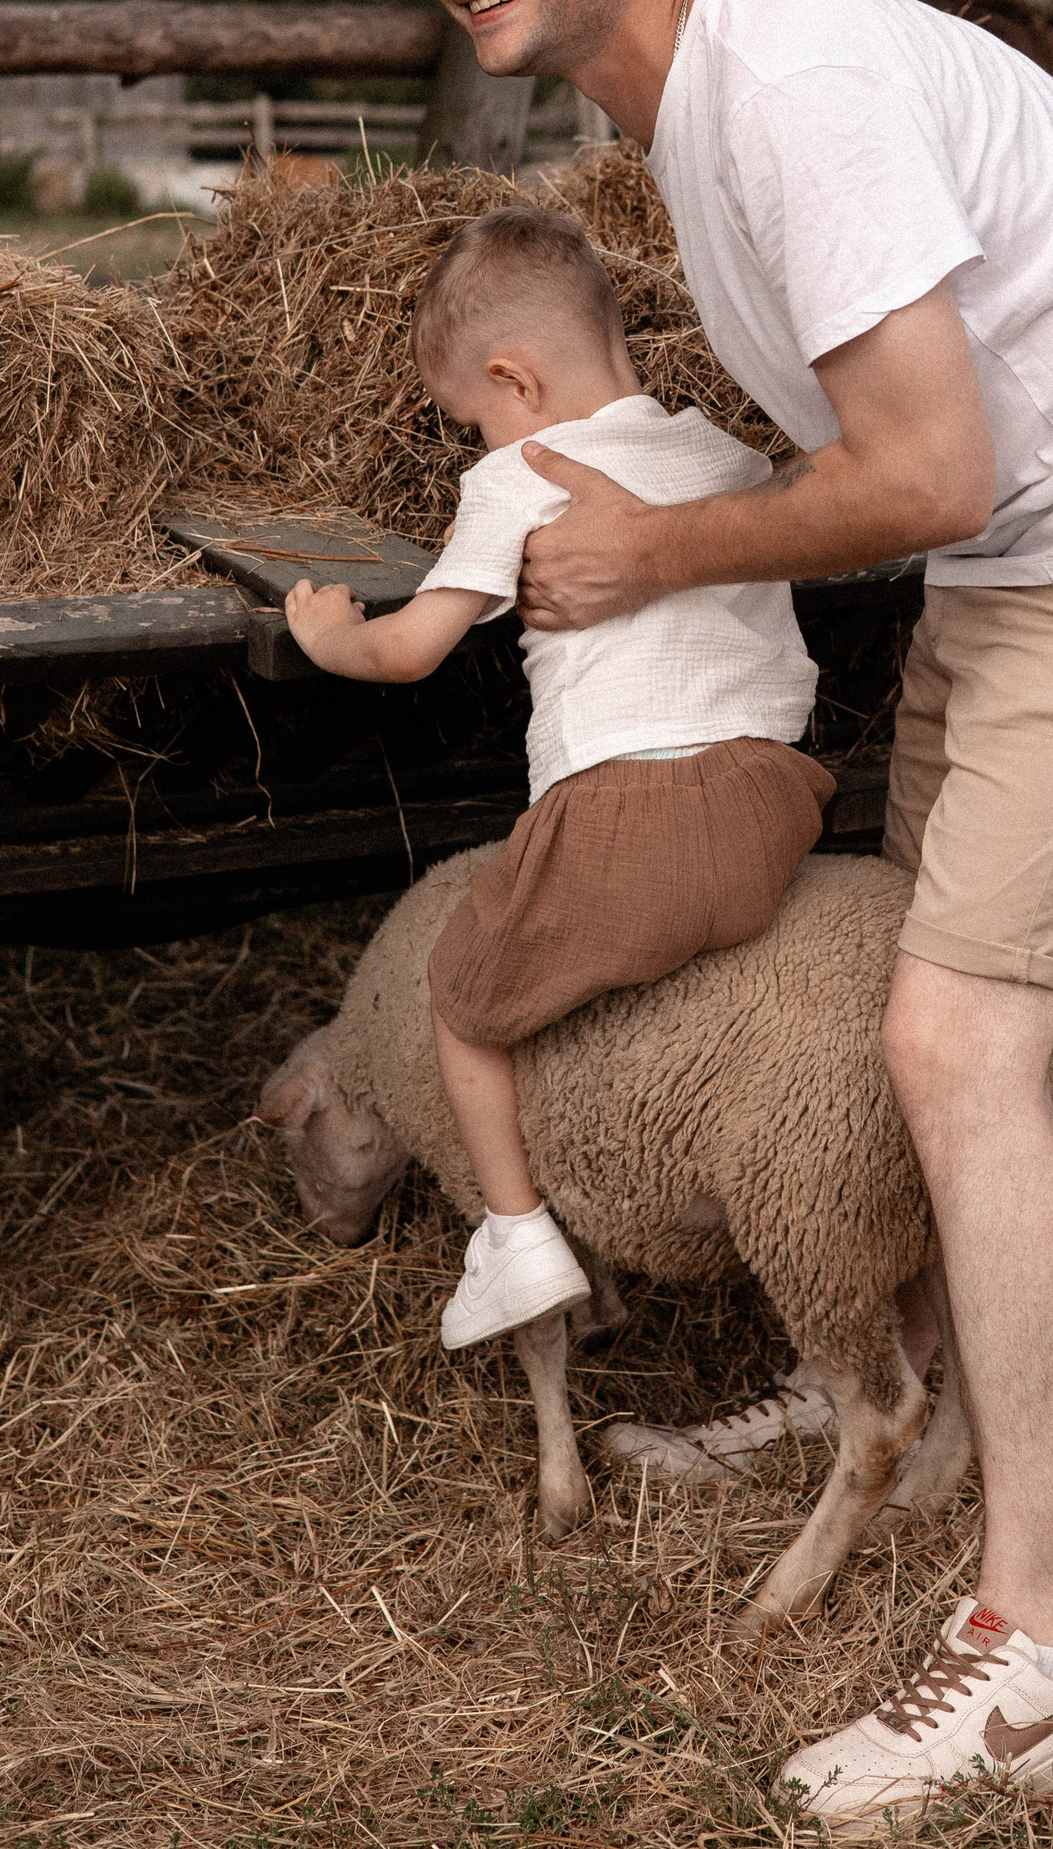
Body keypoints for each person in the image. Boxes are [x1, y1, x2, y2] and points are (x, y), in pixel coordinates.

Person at [408, 0, 1053, 1822]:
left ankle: (1039, 1662)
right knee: (910, 986)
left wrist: (653, 553)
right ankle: (899, 1398)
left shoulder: (791, 93)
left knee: (956, 1040)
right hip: (1032, 542)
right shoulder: (692, 112)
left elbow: (924, 471)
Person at [283, 202, 832, 1352]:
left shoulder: (521, 477)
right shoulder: (726, 456)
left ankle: (518, 1237)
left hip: (628, 820)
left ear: (515, 381)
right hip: (777, 805)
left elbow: (413, 649)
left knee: (462, 1001)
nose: (477, 443)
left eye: (470, 420)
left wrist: (332, 636)